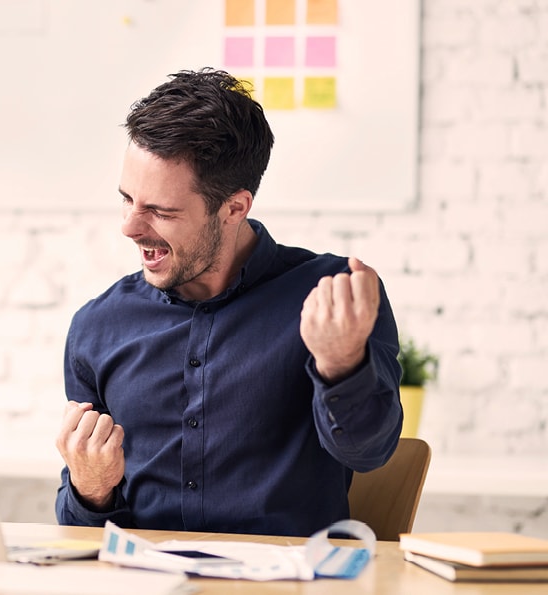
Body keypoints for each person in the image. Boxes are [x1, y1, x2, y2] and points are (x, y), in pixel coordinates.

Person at [54, 68, 402, 537]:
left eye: (160, 210)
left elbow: (369, 453)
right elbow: (81, 533)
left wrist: (342, 363)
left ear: (235, 207)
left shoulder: (333, 297)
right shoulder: (98, 326)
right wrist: (90, 489)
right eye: (127, 199)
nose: (131, 227)